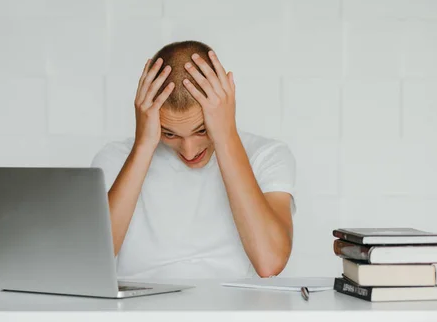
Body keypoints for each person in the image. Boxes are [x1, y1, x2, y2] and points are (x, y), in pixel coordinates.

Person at [91, 40, 296, 279]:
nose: (189, 151)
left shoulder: (267, 155)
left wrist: (226, 136)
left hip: (230, 312)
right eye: (170, 134)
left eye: (201, 130)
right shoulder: (115, 158)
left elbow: (269, 262)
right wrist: (144, 145)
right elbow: (92, 264)